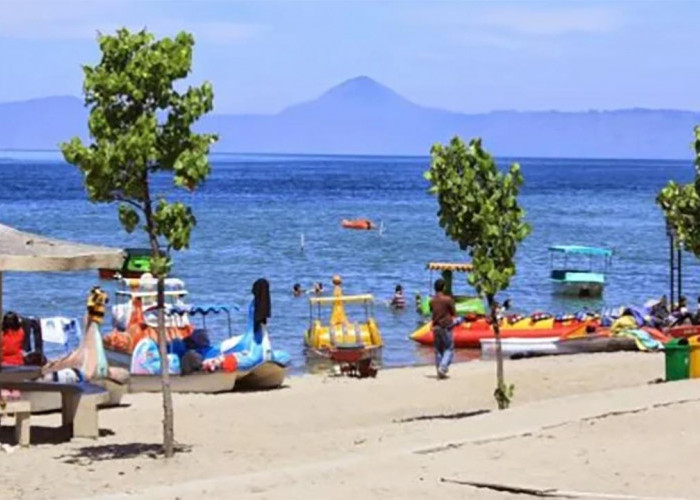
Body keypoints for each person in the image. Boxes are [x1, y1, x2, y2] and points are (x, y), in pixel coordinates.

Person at [429, 278, 456, 379]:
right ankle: (443, 367)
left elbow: (432, 310)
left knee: (438, 350)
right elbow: (453, 312)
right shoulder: (448, 299)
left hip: (436, 326)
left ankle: (439, 369)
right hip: (446, 326)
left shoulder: (432, 301)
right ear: (443, 287)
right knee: (449, 348)